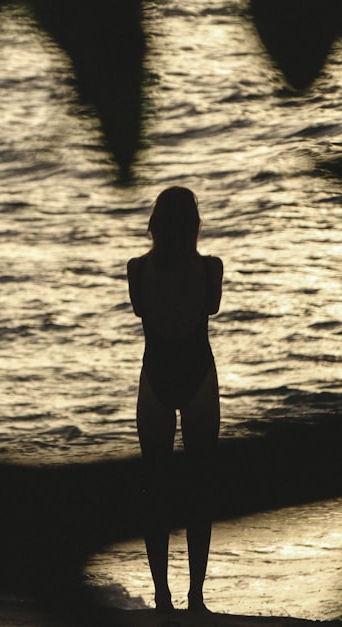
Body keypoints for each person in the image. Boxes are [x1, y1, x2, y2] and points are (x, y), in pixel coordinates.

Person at [127, 186, 223, 613]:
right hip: (200, 377)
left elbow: (141, 310)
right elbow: (212, 307)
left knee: (154, 492)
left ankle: (162, 599)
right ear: (194, 225)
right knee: (201, 490)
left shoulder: (137, 270)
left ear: (155, 225)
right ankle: (196, 598)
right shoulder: (211, 269)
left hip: (155, 379)